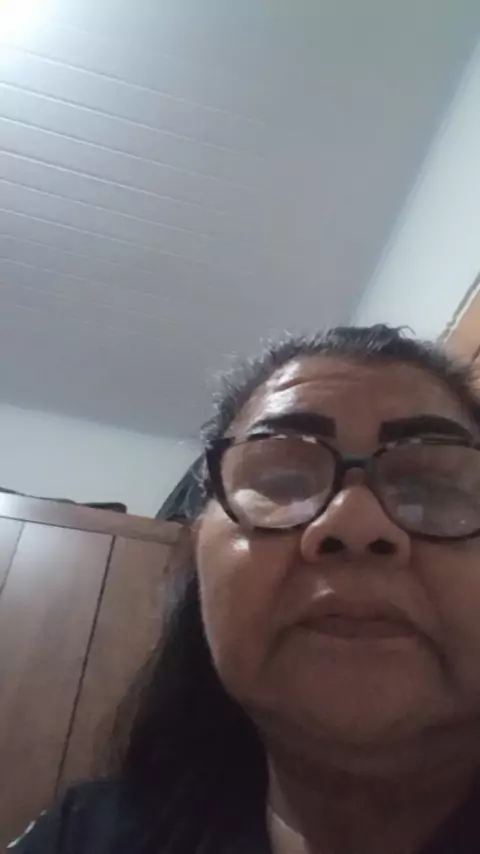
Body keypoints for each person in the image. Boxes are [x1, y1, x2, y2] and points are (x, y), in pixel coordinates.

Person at [11, 324, 480, 854]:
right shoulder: (84, 836)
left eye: (428, 488)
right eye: (283, 482)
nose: (355, 523)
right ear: (196, 552)